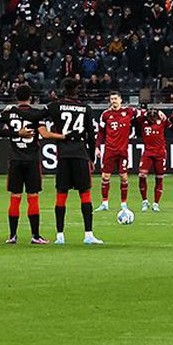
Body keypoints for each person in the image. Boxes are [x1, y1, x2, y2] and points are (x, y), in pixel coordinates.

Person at [42, 79, 103, 245]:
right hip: (80, 154)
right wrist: (91, 157)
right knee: (85, 194)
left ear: (64, 89)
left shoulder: (54, 106)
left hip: (63, 155)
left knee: (61, 194)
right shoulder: (86, 108)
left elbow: (37, 116)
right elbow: (91, 135)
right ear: (77, 90)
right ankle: (88, 234)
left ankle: (60, 236)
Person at [0, 84, 47, 243]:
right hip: (31, 160)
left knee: (15, 197)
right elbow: (44, 133)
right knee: (33, 197)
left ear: (16, 97)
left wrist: (14, 133)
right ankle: (35, 236)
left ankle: (12, 236)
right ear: (31, 97)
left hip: (15, 160)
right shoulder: (36, 114)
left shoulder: (9, 113)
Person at [96, 91, 138, 213]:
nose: (113, 101)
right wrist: (97, 147)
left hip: (123, 150)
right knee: (105, 177)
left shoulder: (129, 112)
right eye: (112, 99)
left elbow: (142, 114)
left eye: (115, 98)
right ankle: (104, 203)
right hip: (109, 150)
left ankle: (124, 204)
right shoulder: (105, 114)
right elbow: (101, 132)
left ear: (120, 100)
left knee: (124, 177)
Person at [133, 107, 169, 212]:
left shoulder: (162, 120)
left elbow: (170, 124)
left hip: (160, 153)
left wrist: (160, 113)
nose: (151, 119)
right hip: (148, 152)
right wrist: (146, 113)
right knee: (142, 175)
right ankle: (144, 201)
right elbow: (135, 115)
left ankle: (156, 203)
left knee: (159, 177)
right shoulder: (142, 120)